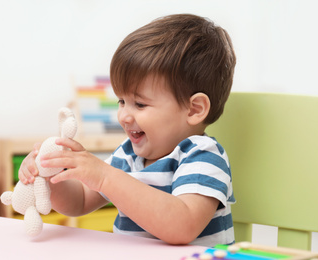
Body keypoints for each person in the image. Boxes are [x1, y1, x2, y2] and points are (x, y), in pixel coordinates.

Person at [19, 13, 236, 246]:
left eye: (140, 104)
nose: (123, 115)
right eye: (121, 101)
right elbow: (79, 202)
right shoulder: (128, 155)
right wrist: (53, 175)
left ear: (194, 110)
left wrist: (104, 176)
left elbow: (182, 227)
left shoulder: (203, 156)